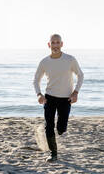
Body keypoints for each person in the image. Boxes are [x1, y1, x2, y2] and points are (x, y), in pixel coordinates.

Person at [33, 34, 84, 162]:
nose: (55, 45)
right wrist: (39, 94)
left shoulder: (70, 59)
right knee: (48, 125)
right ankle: (53, 153)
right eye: (53, 43)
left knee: (61, 128)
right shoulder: (44, 62)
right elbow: (36, 80)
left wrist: (75, 92)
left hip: (65, 99)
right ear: (49, 45)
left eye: (57, 42)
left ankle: (60, 129)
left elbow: (80, 75)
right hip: (49, 98)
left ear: (62, 44)